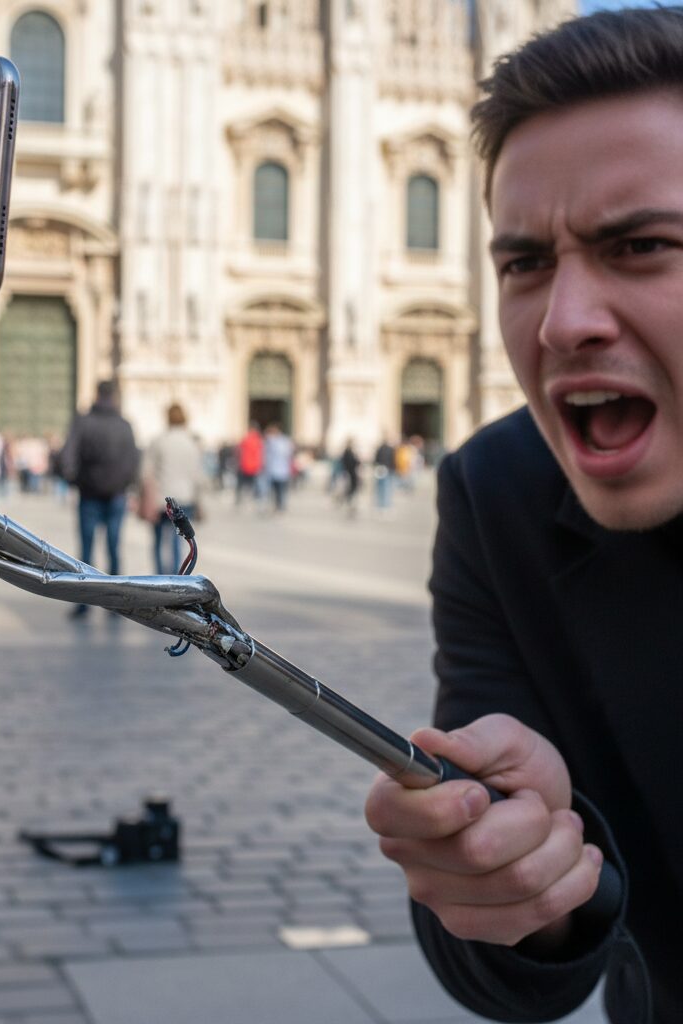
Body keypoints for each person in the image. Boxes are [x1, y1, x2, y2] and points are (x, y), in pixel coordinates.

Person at [363, 10, 683, 1023]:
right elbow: (507, 960)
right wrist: (513, 867)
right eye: (522, 264)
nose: (559, 322)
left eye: (637, 245)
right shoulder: (498, 495)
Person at [59, 380, 139, 618]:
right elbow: (134, 461)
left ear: (96, 395)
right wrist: (125, 485)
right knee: (114, 547)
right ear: (114, 396)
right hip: (116, 495)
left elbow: (67, 457)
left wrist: (76, 481)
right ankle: (116, 604)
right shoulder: (125, 425)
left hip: (89, 495)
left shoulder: (83, 422)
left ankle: (84, 602)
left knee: (86, 549)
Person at [141, 403, 205, 574]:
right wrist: (199, 502)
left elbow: (146, 473)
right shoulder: (192, 443)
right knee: (180, 542)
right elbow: (197, 476)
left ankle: (160, 578)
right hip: (185, 498)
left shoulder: (158, 441)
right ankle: (177, 578)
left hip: (162, 500)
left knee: (158, 542)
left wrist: (145, 500)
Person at [262, 422, 294, 513]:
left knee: (279, 490)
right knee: (276, 490)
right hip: (276, 470)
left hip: (279, 470)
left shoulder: (275, 442)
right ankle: (278, 506)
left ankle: (280, 506)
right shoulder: (283, 441)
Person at [235, 422, 264, 506]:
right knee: (255, 484)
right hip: (255, 466)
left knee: (241, 485)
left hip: (244, 465)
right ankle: (257, 499)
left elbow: (239, 452)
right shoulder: (259, 440)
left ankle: (240, 499)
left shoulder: (245, 439)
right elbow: (261, 454)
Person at [338, 438, 361, 517]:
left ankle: (349, 502)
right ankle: (349, 503)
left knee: (350, 489)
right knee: (349, 489)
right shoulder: (348, 452)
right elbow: (351, 462)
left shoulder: (350, 452)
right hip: (349, 473)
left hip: (350, 473)